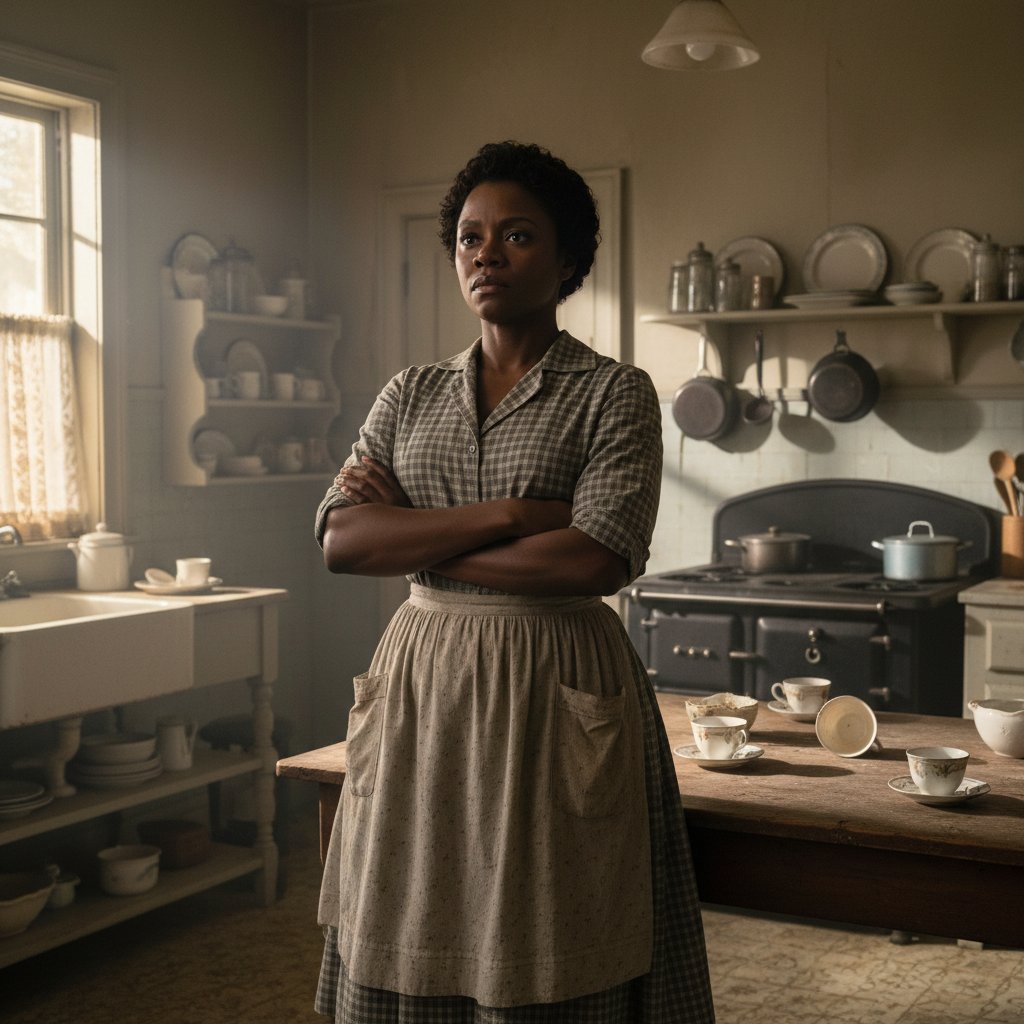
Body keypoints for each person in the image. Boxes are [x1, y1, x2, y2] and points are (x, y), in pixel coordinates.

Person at [313, 140, 715, 1023]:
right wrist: (510, 514)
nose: (485, 254)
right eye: (468, 237)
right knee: (412, 901)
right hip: (424, 681)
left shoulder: (616, 393)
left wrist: (411, 537)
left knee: (551, 921)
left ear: (568, 259)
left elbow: (592, 558)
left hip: (555, 681)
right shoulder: (409, 392)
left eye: (517, 236)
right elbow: (342, 539)